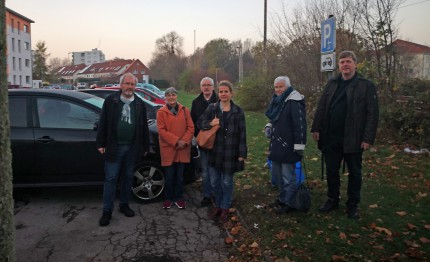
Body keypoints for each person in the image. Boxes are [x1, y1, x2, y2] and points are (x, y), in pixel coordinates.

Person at [311, 51, 379, 219]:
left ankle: (353, 205)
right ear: (339, 65)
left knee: (355, 173)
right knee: (332, 171)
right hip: (331, 137)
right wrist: (316, 128)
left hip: (354, 138)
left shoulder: (366, 86)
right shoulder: (332, 83)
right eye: (342, 62)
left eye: (348, 61)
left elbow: (372, 114)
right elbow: (322, 106)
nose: (345, 65)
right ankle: (332, 199)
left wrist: (367, 138)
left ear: (355, 64)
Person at [96, 73, 150, 226]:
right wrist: (100, 143)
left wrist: (145, 145)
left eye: (132, 84)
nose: (129, 87)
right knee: (111, 179)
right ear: (121, 85)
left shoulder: (139, 104)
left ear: (135, 86)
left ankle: (124, 205)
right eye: (127, 84)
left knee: (127, 177)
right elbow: (103, 123)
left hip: (132, 147)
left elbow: (143, 126)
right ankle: (107, 211)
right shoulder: (111, 101)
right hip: (114, 146)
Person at [198, 80, 247, 223]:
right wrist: (209, 123)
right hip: (215, 152)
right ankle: (218, 205)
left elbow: (243, 133)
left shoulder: (238, 111)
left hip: (230, 152)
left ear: (231, 93)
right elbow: (200, 123)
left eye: (226, 91)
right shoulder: (212, 108)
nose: (223, 94)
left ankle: (225, 206)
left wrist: (241, 153)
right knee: (214, 182)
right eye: (221, 92)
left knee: (226, 181)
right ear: (218, 94)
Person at [265, 76, 307, 214]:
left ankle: (290, 202)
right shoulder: (277, 101)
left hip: (289, 146)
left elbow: (300, 125)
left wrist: (299, 145)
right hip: (277, 144)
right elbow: (275, 118)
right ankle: (282, 198)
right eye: (276, 87)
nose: (278, 89)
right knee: (278, 175)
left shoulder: (294, 101)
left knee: (288, 177)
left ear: (287, 87)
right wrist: (269, 125)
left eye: (280, 87)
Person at [157, 87, 195, 209]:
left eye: (173, 94)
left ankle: (178, 198)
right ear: (165, 97)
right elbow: (162, 131)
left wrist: (184, 141)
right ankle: (168, 198)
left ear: (176, 96)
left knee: (179, 177)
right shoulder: (161, 112)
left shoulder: (185, 110)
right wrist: (176, 141)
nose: (171, 97)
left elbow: (191, 127)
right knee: (169, 177)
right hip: (168, 149)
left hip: (182, 148)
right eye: (168, 95)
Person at [191, 77, 218, 207]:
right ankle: (207, 195)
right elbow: (192, 122)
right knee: (206, 171)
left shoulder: (220, 100)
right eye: (204, 85)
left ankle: (216, 194)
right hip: (203, 143)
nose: (206, 87)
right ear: (201, 87)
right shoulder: (196, 102)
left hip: (218, 143)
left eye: (209, 85)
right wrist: (196, 137)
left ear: (213, 86)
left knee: (216, 170)